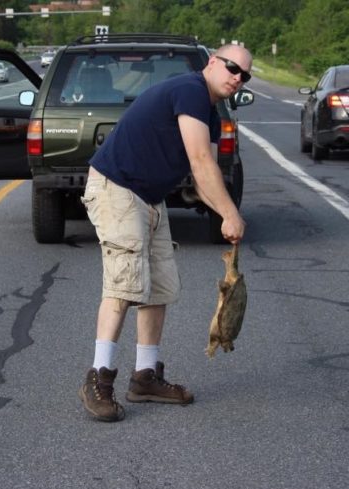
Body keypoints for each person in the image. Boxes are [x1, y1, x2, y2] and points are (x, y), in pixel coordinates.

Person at [78, 44, 252, 422]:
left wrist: (225, 215)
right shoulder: (190, 89)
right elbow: (201, 161)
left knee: (158, 286)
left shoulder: (207, 108)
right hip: (117, 187)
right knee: (124, 283)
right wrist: (230, 213)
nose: (237, 77)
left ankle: (144, 377)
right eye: (232, 68)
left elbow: (201, 180)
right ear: (212, 63)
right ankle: (99, 378)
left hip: (148, 196)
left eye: (245, 75)